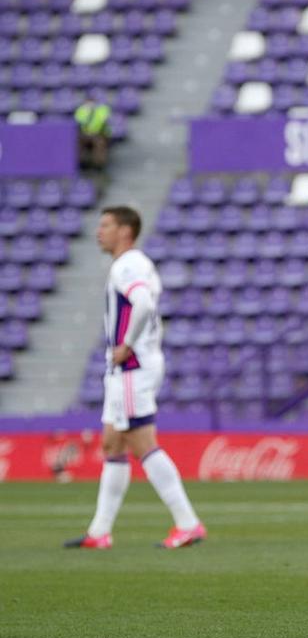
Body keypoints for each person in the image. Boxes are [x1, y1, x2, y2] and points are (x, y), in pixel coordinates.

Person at [64, 206, 206, 550]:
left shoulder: (127, 265)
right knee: (112, 443)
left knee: (142, 442)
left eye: (106, 225)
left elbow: (142, 304)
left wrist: (126, 344)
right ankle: (100, 532)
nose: (99, 231)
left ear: (125, 230)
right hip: (133, 367)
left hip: (132, 366)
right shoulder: (139, 263)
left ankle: (188, 524)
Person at [75, 99, 111, 171]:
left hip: (98, 134)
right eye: (88, 103)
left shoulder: (102, 109)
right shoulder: (81, 110)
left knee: (100, 144)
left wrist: (93, 112)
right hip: (84, 134)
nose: (90, 105)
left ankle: (98, 165)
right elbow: (78, 120)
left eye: (92, 103)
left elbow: (103, 120)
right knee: (77, 143)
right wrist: (87, 113)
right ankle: (81, 163)